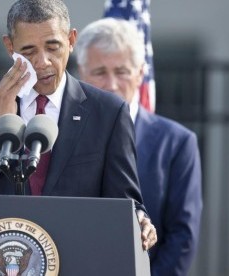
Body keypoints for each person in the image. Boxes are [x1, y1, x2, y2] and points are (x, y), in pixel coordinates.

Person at [0, 0, 157, 250]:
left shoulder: (108, 112)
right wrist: (0, 124)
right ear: (9, 47)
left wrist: (139, 218)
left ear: (71, 41)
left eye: (53, 47)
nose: (43, 62)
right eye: (28, 52)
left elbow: (125, 202)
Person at [75, 18, 203, 276]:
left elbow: (182, 235)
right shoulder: (60, 133)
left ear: (140, 74)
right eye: (99, 72)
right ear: (81, 73)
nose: (111, 84)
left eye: (121, 71)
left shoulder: (177, 142)